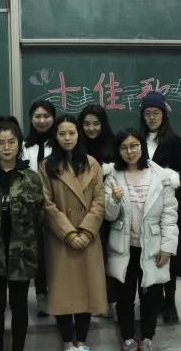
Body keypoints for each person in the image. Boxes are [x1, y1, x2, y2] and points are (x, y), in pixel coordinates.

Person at [104, 128, 179, 351]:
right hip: (124, 247)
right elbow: (108, 215)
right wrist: (113, 200)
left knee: (151, 297)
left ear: (142, 146)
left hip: (152, 247)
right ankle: (127, 337)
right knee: (124, 297)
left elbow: (169, 215)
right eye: (124, 147)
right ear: (118, 150)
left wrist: (167, 248)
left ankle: (147, 337)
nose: (130, 151)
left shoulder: (161, 176)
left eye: (134, 146)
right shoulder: (113, 176)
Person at [0, 118, 43, 351]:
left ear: (19, 144)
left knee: (20, 306)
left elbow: (38, 214)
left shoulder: (31, 177)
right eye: (1, 142)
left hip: (21, 251)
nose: (6, 147)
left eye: (11, 142)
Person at [38, 115, 107, 351]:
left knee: (87, 290)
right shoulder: (47, 166)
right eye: (62, 134)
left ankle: (82, 341)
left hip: (88, 237)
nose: (67, 138)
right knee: (64, 292)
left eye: (72, 133)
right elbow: (47, 205)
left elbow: (99, 201)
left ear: (79, 135)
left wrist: (86, 232)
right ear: (55, 137)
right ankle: (67, 342)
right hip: (61, 239)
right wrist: (69, 233)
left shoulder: (92, 164)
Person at [139, 91, 181, 324]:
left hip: (170, 210)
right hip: (145, 209)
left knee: (169, 257)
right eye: (147, 113)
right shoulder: (137, 140)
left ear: (163, 115)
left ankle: (170, 302)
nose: (151, 117)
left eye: (156, 113)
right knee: (148, 257)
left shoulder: (174, 141)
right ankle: (154, 301)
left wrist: (180, 213)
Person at [78, 104, 117, 315]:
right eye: (86, 124)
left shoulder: (114, 146)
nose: (91, 128)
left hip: (110, 211)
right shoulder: (76, 146)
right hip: (84, 210)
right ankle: (90, 300)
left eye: (96, 124)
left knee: (109, 256)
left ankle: (109, 300)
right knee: (89, 257)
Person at [21, 100, 56, 317]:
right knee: (39, 253)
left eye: (46, 116)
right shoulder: (24, 146)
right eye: (37, 116)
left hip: (57, 205)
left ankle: (59, 294)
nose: (42, 121)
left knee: (57, 252)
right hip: (32, 208)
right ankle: (41, 295)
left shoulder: (60, 142)